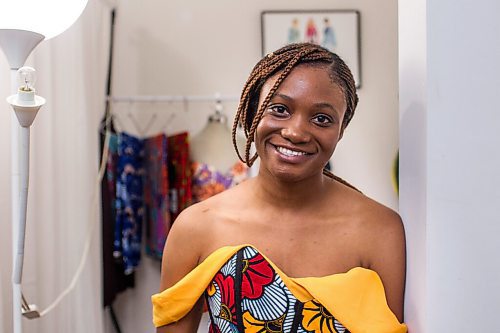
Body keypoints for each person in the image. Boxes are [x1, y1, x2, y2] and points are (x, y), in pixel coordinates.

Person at [152, 43, 407, 333]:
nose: (295, 132)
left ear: (341, 130)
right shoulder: (197, 226)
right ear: (252, 114)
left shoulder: (379, 230)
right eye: (280, 109)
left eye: (321, 118)